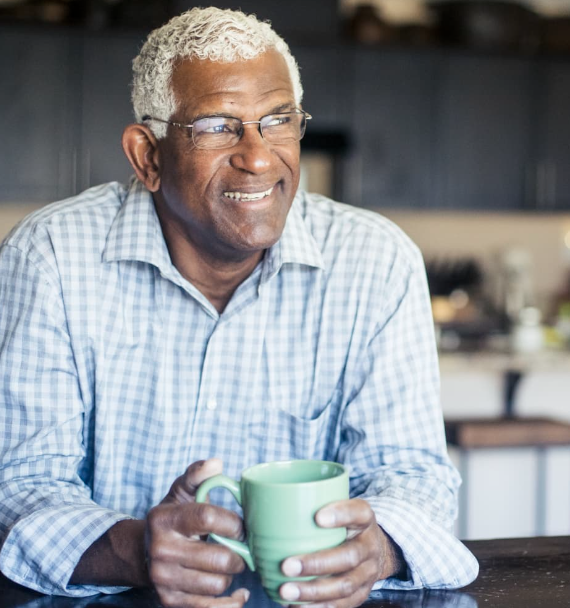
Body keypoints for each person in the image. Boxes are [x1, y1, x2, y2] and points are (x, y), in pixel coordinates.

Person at [0, 7, 478, 608]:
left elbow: (414, 475)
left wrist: (379, 548)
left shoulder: (376, 263)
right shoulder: (49, 257)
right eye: (217, 126)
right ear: (147, 155)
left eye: (278, 121)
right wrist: (137, 551)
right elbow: (21, 486)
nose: (258, 156)